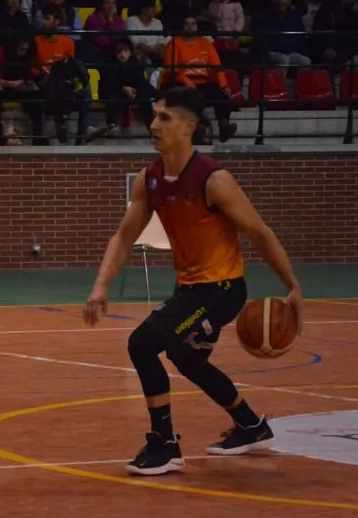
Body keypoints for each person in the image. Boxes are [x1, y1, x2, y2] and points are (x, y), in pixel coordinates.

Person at [82, 86, 302, 476]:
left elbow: (260, 232)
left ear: (189, 127)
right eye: (154, 115)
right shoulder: (149, 179)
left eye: (164, 118)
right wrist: (100, 286)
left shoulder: (213, 180)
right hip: (190, 289)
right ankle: (251, 425)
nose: (154, 124)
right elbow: (124, 236)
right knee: (187, 359)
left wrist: (293, 287)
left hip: (221, 290)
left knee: (142, 344)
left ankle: (165, 444)